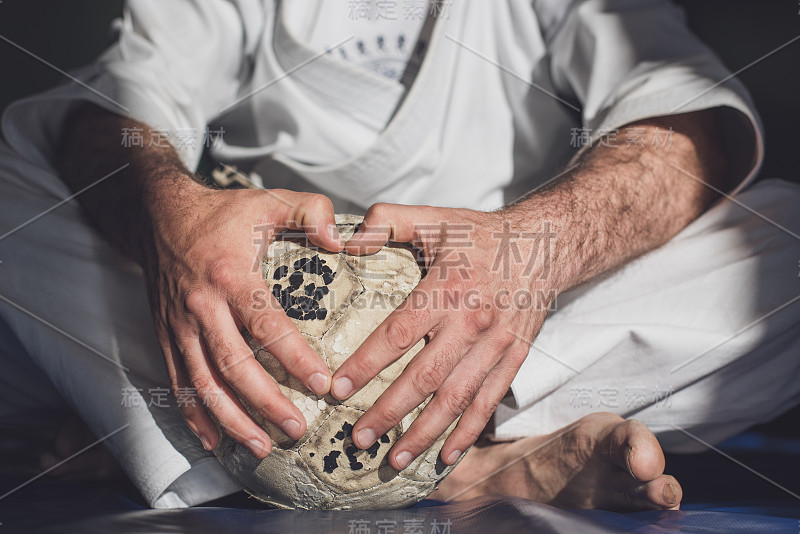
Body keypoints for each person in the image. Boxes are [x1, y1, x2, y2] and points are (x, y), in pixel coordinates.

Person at [1, 0, 798, 510]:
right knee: (11, 179)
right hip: (256, 313)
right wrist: (174, 219)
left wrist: (531, 252)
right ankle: (460, 464)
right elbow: (116, 115)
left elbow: (679, 134)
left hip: (500, 316)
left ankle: (168, 433)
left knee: (783, 251)